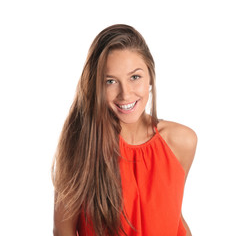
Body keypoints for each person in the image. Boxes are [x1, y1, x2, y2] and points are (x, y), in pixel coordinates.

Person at [52, 24, 197, 236]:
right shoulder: (81, 147)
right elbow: (62, 231)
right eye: (110, 81)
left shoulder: (182, 142)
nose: (125, 94)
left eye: (135, 77)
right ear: (96, 86)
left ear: (150, 77)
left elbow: (175, 218)